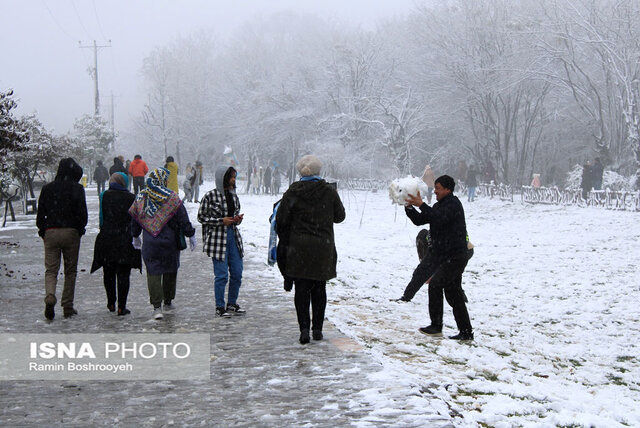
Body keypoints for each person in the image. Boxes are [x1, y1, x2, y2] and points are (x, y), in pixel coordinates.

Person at [276, 155, 346, 344]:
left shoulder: (293, 191)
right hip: (322, 248)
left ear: (300, 172)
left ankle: (304, 329)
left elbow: (281, 221)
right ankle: (318, 330)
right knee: (319, 288)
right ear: (319, 171)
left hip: (299, 248)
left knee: (302, 288)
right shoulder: (329, 192)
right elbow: (340, 216)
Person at [404, 175, 474, 340]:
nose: (434, 191)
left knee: (436, 284)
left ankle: (436, 326)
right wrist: (408, 207)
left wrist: (421, 204)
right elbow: (421, 220)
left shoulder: (453, 205)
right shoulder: (440, 205)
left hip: (455, 256)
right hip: (446, 256)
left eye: (438, 188)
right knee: (453, 293)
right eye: (435, 188)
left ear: (447, 190)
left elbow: (439, 218)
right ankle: (465, 332)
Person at [129, 168, 196, 320]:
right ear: (163, 180)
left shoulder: (142, 197)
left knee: (153, 272)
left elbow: (135, 219)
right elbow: (183, 219)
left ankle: (156, 306)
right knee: (170, 271)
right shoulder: (171, 198)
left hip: (150, 244)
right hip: (169, 243)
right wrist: (190, 234)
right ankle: (168, 299)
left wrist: (135, 236)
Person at [36, 158, 88, 320]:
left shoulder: (47, 189)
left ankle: (50, 296)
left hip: (51, 232)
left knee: (51, 270)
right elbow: (83, 215)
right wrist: (79, 229)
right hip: (71, 232)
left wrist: (43, 230)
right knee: (70, 271)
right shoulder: (77, 189)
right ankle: (67, 305)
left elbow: (40, 214)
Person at [198, 166, 245, 317]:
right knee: (222, 275)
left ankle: (231, 303)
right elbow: (201, 217)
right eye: (231, 177)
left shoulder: (233, 196)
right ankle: (220, 306)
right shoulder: (210, 196)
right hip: (217, 239)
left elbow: (234, 214)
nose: (233, 180)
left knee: (237, 272)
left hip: (233, 237)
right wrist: (220, 221)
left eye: (234, 177)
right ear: (223, 178)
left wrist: (236, 220)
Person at [91, 173, 141, 316]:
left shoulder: (104, 196)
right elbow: (135, 219)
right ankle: (121, 306)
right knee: (124, 273)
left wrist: (105, 229)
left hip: (107, 238)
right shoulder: (132, 198)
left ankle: (111, 302)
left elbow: (102, 218)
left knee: (108, 272)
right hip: (125, 239)